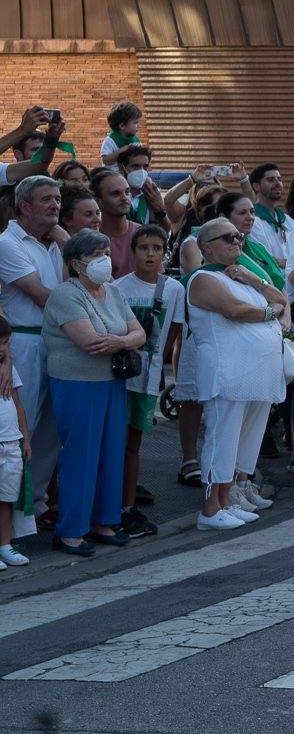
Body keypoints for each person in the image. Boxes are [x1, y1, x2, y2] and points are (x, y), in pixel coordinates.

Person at [43, 230, 146, 555]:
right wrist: (123, 340)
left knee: (110, 452)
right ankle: (71, 529)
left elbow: (140, 332)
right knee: (81, 455)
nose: (104, 261)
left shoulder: (113, 292)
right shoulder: (65, 295)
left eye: (105, 253)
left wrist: (121, 341)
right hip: (77, 384)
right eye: (96, 255)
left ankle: (105, 521)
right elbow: (90, 342)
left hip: (111, 382)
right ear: (76, 263)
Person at [184, 218, 287, 529]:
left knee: (244, 439)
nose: (236, 242)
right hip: (226, 371)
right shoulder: (202, 278)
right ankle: (210, 510)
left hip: (257, 372)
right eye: (227, 238)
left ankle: (227, 500)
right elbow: (236, 311)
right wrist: (270, 313)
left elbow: (281, 298)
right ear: (206, 247)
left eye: (239, 237)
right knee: (223, 437)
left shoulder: (241, 276)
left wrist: (254, 280)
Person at [0, 175, 64, 539]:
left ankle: (35, 505)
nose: (56, 205)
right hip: (23, 344)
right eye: (47, 200)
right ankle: (14, 516)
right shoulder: (8, 244)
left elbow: (79, 284)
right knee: (26, 427)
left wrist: (66, 241)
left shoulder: (52, 244)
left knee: (49, 432)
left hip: (54, 341)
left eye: (57, 199)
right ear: (25, 206)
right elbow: (43, 296)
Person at [112, 224, 175, 537]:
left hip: (148, 380)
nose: (151, 254)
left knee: (134, 444)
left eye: (157, 248)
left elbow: (173, 332)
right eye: (143, 248)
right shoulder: (119, 288)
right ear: (132, 252)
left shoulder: (172, 289)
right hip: (120, 377)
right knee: (115, 442)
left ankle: (127, 504)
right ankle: (110, 504)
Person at [0, 316, 28, 567]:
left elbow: (18, 405)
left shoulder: (10, 368)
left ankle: (5, 545)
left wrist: (25, 439)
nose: (1, 348)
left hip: (11, 442)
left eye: (6, 343)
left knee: (7, 498)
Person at [99, 102, 144, 169]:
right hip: (113, 175)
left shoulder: (136, 140)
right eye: (135, 123)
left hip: (130, 174)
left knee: (148, 179)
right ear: (122, 126)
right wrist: (123, 150)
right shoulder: (110, 140)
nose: (138, 126)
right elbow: (105, 160)